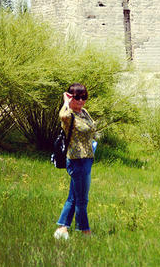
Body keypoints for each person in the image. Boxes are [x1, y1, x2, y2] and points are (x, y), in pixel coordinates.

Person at [54, 83, 97, 240]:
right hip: (76, 160)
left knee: (73, 196)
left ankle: (62, 228)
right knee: (82, 199)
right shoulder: (69, 115)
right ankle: (84, 231)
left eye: (83, 97)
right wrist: (66, 101)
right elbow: (62, 116)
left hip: (87, 159)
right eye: (77, 97)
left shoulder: (84, 112)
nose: (81, 101)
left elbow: (92, 129)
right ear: (71, 97)